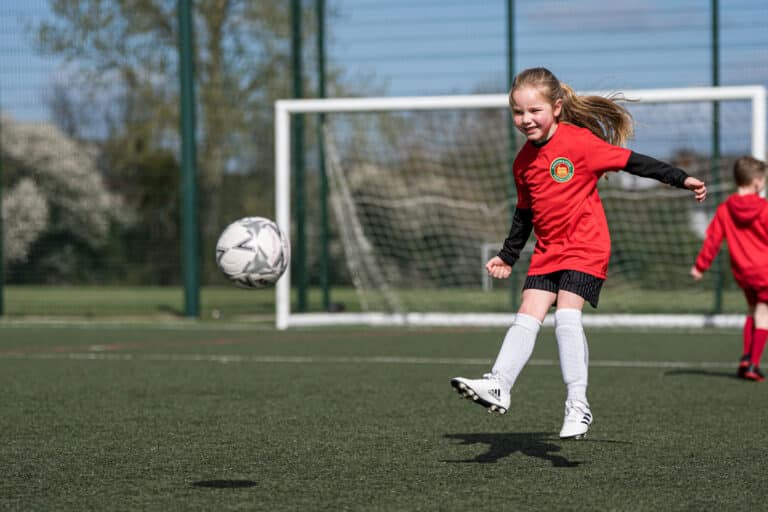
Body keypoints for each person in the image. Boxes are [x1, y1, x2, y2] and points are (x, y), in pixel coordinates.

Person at [450, 67, 707, 439]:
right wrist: (508, 255)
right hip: (548, 250)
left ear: (556, 108)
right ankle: (499, 384)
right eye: (518, 112)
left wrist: (680, 178)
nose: (526, 119)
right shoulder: (522, 163)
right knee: (527, 312)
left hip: (586, 246)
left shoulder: (580, 143)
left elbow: (633, 162)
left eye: (534, 111)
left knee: (567, 316)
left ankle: (577, 405)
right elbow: (524, 214)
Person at [690, 156, 768, 382]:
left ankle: (745, 358)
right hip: (764, 271)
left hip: (743, 273)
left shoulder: (725, 209)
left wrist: (700, 267)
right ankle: (753, 364)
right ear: (756, 182)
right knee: (764, 315)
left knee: (752, 311)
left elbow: (712, 240)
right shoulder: (764, 209)